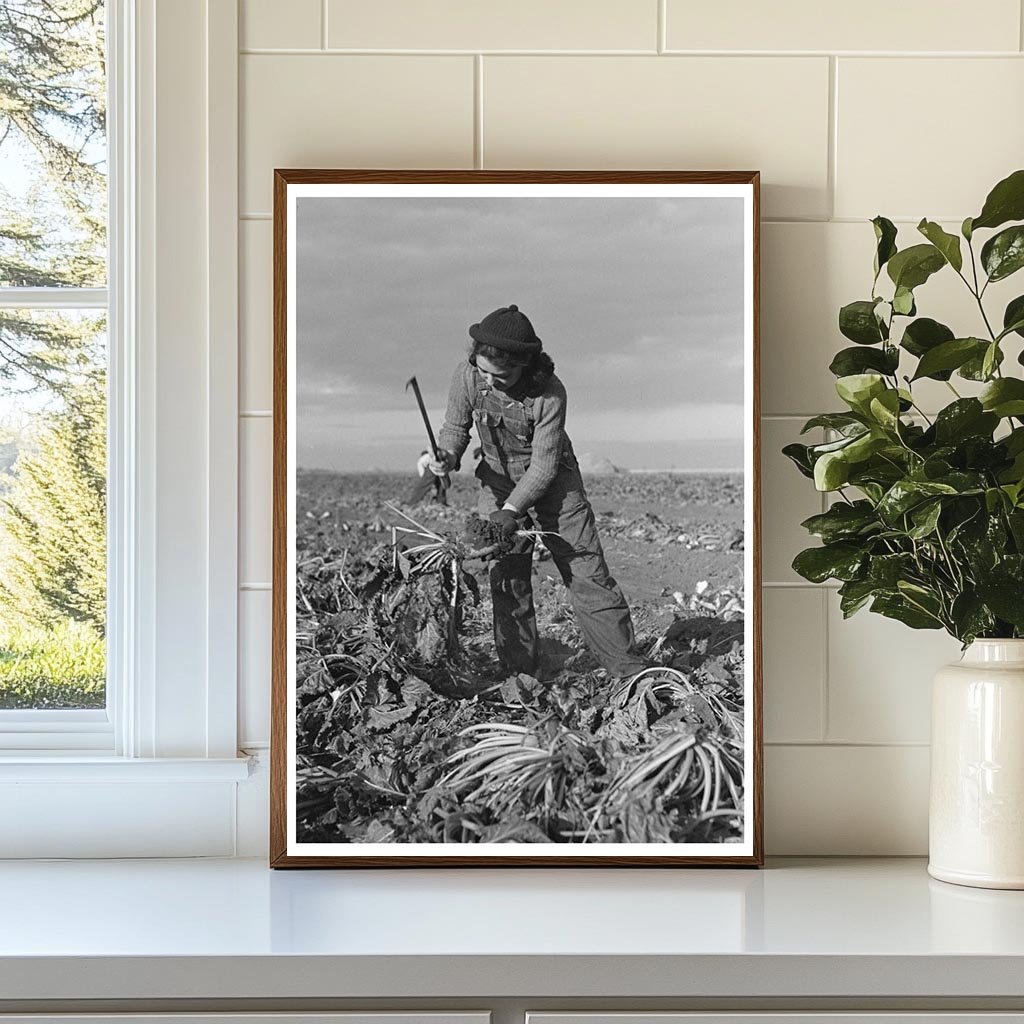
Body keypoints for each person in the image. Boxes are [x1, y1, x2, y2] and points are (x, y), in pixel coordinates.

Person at [429, 303, 646, 679]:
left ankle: (628, 673)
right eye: (483, 372)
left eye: (500, 376)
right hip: (497, 481)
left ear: (523, 365)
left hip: (556, 486)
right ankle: (520, 675)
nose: (489, 381)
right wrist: (447, 455)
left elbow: (543, 466)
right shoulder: (467, 377)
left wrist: (510, 513)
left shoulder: (550, 394)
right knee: (507, 578)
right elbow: (455, 427)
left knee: (586, 575)